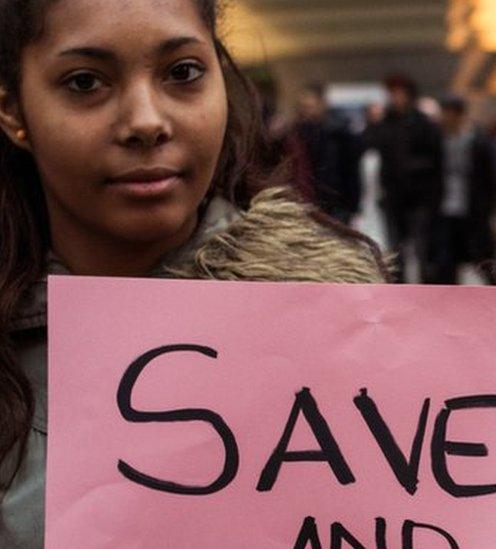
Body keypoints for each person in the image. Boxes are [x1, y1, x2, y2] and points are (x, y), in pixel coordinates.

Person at [0, 1, 388, 547]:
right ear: (15, 112)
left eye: (182, 73)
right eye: (86, 82)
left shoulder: (347, 326)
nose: (146, 122)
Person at [367, 74, 443, 282]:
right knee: (396, 252)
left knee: (423, 250)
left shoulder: (424, 124)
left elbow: (437, 162)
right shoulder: (386, 124)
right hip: (394, 197)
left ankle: (426, 291)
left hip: (420, 198)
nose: (396, 98)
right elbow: (375, 150)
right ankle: (400, 290)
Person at [429, 96, 496, 284]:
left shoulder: (479, 141)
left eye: (448, 114)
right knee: (446, 264)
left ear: (458, 115)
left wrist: (495, 212)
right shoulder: (437, 141)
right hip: (445, 210)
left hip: (473, 210)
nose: (444, 118)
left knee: (484, 260)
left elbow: (491, 180)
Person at [293, 82, 362, 224]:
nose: (307, 111)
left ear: (322, 104)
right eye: (304, 107)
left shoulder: (340, 133)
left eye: (310, 107)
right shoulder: (299, 134)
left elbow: (351, 171)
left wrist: (352, 205)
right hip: (311, 203)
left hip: (337, 203)